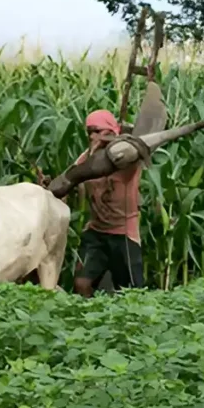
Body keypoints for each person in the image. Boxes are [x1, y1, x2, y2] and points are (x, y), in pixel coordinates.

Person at [70, 109, 145, 297]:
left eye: (97, 131)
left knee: (131, 293)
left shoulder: (127, 155)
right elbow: (69, 178)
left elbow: (138, 151)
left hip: (124, 234)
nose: (92, 136)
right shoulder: (87, 158)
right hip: (96, 232)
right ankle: (88, 313)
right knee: (81, 283)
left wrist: (117, 140)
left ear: (111, 130)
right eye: (89, 132)